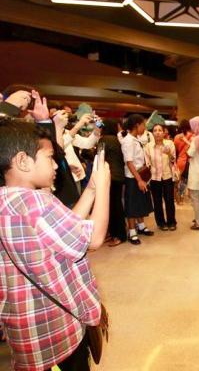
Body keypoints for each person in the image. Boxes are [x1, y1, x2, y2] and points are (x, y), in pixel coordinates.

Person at [0, 118, 110, 371]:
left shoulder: (12, 201)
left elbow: (68, 228)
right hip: (56, 331)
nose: (55, 165)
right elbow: (94, 239)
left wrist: (91, 190)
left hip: (26, 332)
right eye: (49, 158)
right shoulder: (36, 203)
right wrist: (104, 187)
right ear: (23, 161)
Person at [121, 114, 154, 244]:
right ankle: (132, 232)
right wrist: (139, 180)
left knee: (140, 203)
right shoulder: (128, 141)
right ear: (137, 125)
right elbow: (129, 162)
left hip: (139, 175)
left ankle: (141, 226)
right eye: (143, 125)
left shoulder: (135, 139)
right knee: (132, 205)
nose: (144, 128)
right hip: (133, 177)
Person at [99, 118, 127, 246]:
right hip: (118, 176)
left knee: (113, 207)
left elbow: (99, 157)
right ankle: (115, 233)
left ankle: (118, 235)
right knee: (116, 205)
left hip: (110, 177)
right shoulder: (117, 140)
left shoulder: (103, 140)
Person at [146, 124, 177, 231]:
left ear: (164, 132)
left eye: (160, 130)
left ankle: (171, 222)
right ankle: (161, 223)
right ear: (152, 133)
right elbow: (147, 163)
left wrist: (169, 154)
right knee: (157, 201)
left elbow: (173, 160)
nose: (157, 132)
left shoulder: (169, 143)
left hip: (167, 176)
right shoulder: (148, 146)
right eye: (155, 130)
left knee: (169, 200)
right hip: (154, 177)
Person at [174, 119, 192, 204]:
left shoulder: (176, 137)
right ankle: (181, 198)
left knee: (177, 180)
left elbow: (175, 151)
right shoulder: (191, 136)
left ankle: (176, 198)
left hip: (179, 161)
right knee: (184, 181)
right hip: (188, 161)